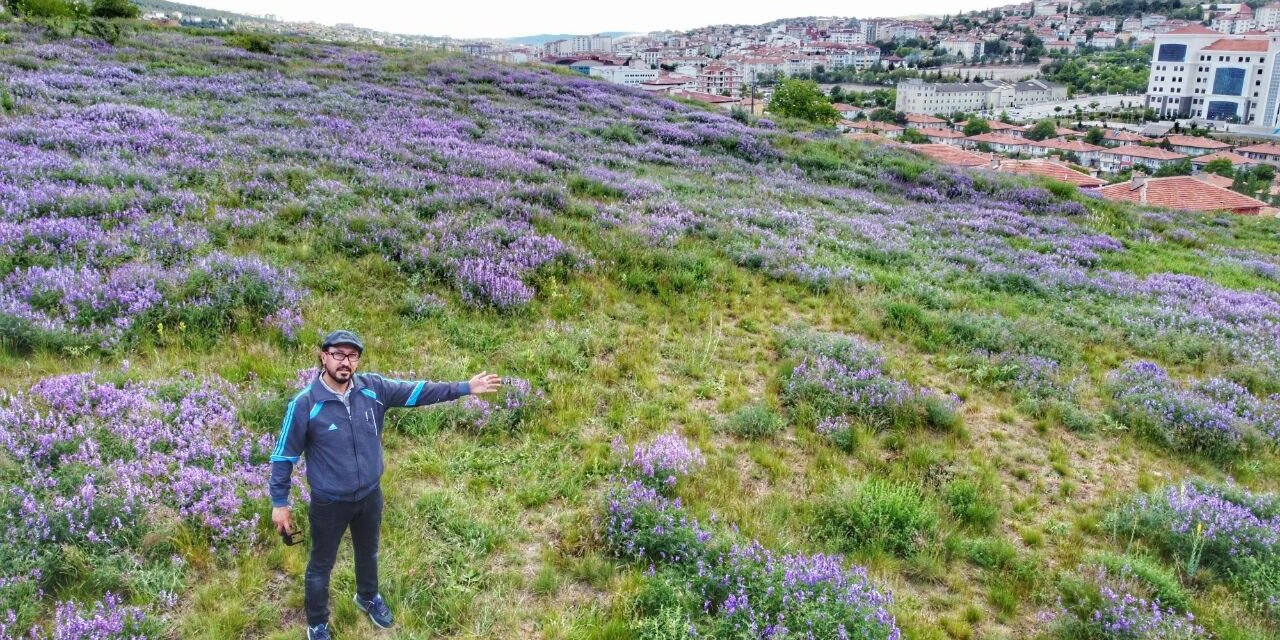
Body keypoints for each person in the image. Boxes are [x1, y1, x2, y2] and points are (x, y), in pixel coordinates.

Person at [269, 329, 501, 640]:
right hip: (329, 502)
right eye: (338, 354)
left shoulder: (373, 388)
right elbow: (284, 455)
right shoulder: (305, 403)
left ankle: (367, 597)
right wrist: (280, 503)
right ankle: (317, 624)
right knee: (320, 565)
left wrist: (465, 388)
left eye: (352, 356)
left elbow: (417, 392)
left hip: (369, 495)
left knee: (369, 552)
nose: (345, 362)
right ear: (323, 357)